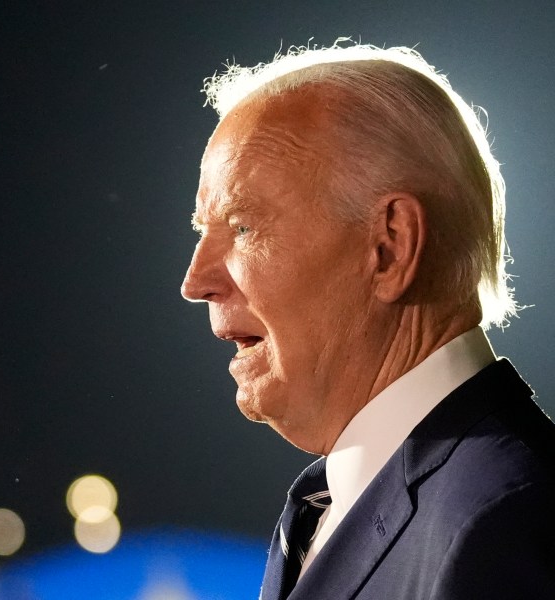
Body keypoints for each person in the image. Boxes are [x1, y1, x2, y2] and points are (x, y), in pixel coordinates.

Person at [181, 42, 555, 599]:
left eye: (242, 227)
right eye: (200, 233)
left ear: (389, 246)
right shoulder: (332, 504)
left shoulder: (501, 522)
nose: (195, 282)